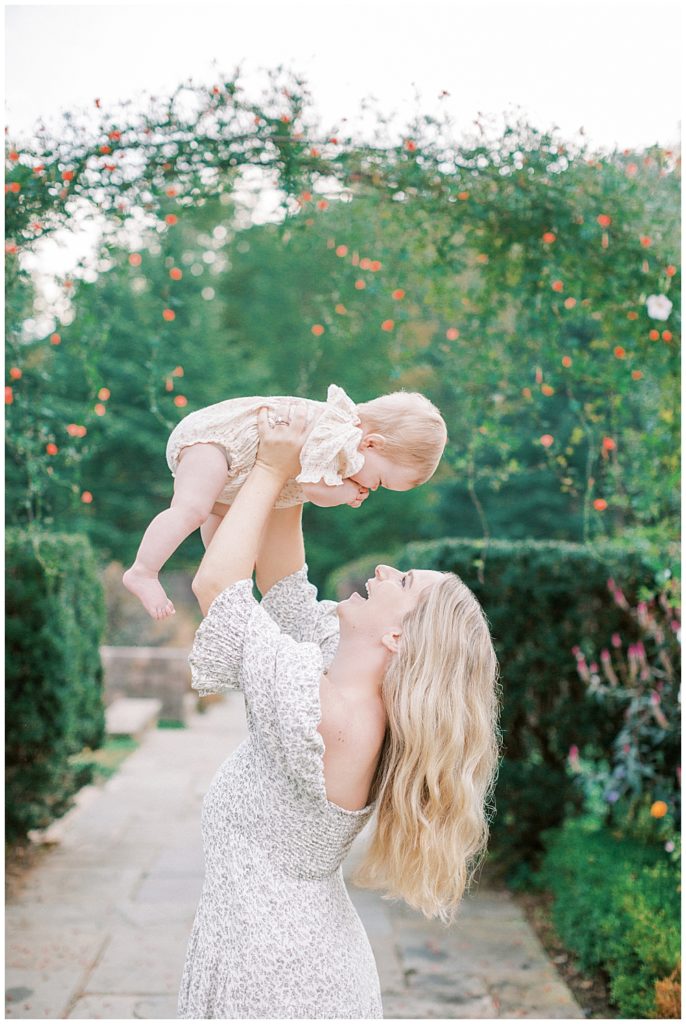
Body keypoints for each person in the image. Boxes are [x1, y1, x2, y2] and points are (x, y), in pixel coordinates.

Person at [176, 404, 502, 1019]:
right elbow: (286, 588)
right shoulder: (340, 671)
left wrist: (271, 471)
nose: (383, 568)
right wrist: (302, 463)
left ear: (400, 640)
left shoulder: (335, 716)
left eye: (402, 582)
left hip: (278, 975)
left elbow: (220, 591)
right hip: (273, 947)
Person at [124, 383, 447, 620]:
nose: (371, 488)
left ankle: (229, 605)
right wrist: (346, 493)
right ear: (372, 443)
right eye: (380, 481)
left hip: (234, 471)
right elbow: (314, 490)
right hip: (215, 444)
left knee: (230, 544)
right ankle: (143, 571)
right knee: (191, 510)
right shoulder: (337, 436)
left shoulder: (347, 439)